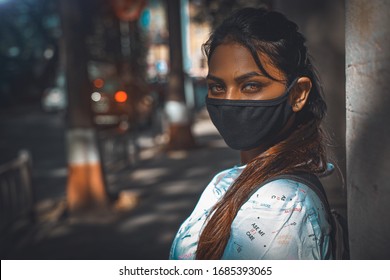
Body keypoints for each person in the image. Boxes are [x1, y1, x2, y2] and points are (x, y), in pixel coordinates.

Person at [170, 7, 333, 260]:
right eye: (217, 87)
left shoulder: (281, 208)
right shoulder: (239, 178)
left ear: (298, 94)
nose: (230, 100)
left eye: (251, 86)